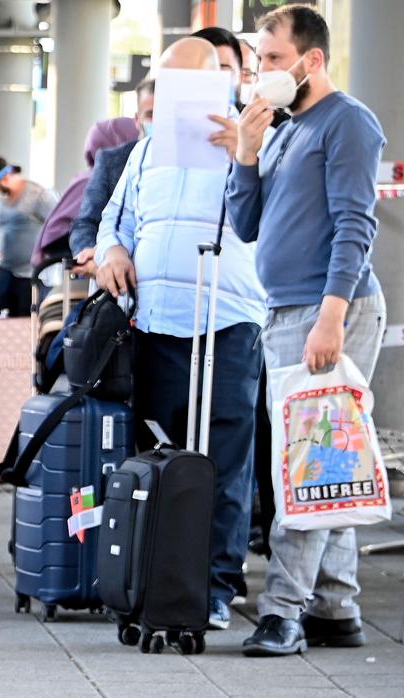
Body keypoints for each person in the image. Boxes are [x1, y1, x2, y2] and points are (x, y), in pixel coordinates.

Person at [222, 4, 387, 657]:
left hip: (325, 312)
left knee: (305, 468)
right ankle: (336, 607)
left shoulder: (347, 122)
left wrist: (330, 316)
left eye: (270, 57)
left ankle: (284, 611)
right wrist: (245, 153)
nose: (260, 70)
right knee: (327, 460)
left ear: (310, 60)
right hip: (287, 311)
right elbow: (246, 224)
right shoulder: (287, 128)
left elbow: (356, 225)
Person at [96, 37, 267, 632]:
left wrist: (247, 154)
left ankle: (216, 586)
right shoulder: (145, 151)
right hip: (156, 321)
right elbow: (112, 221)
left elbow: (276, 216)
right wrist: (113, 249)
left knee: (224, 462)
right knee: (155, 456)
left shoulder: (261, 141)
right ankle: (153, 579)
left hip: (228, 321)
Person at [68, 80, 154, 276]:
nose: (157, 121)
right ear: (137, 119)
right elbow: (85, 223)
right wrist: (93, 256)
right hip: (116, 279)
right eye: (150, 114)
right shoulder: (113, 160)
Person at [30, 117, 138, 268]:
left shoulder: (85, 177)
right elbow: (84, 223)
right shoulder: (94, 178)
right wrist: (95, 256)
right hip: (85, 264)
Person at [0, 157, 56, 316]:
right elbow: (0, 222)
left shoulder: (37, 195)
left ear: (5, 178)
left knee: (26, 321)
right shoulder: (4, 199)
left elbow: (58, 223)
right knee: (5, 319)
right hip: (8, 270)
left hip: (31, 275)